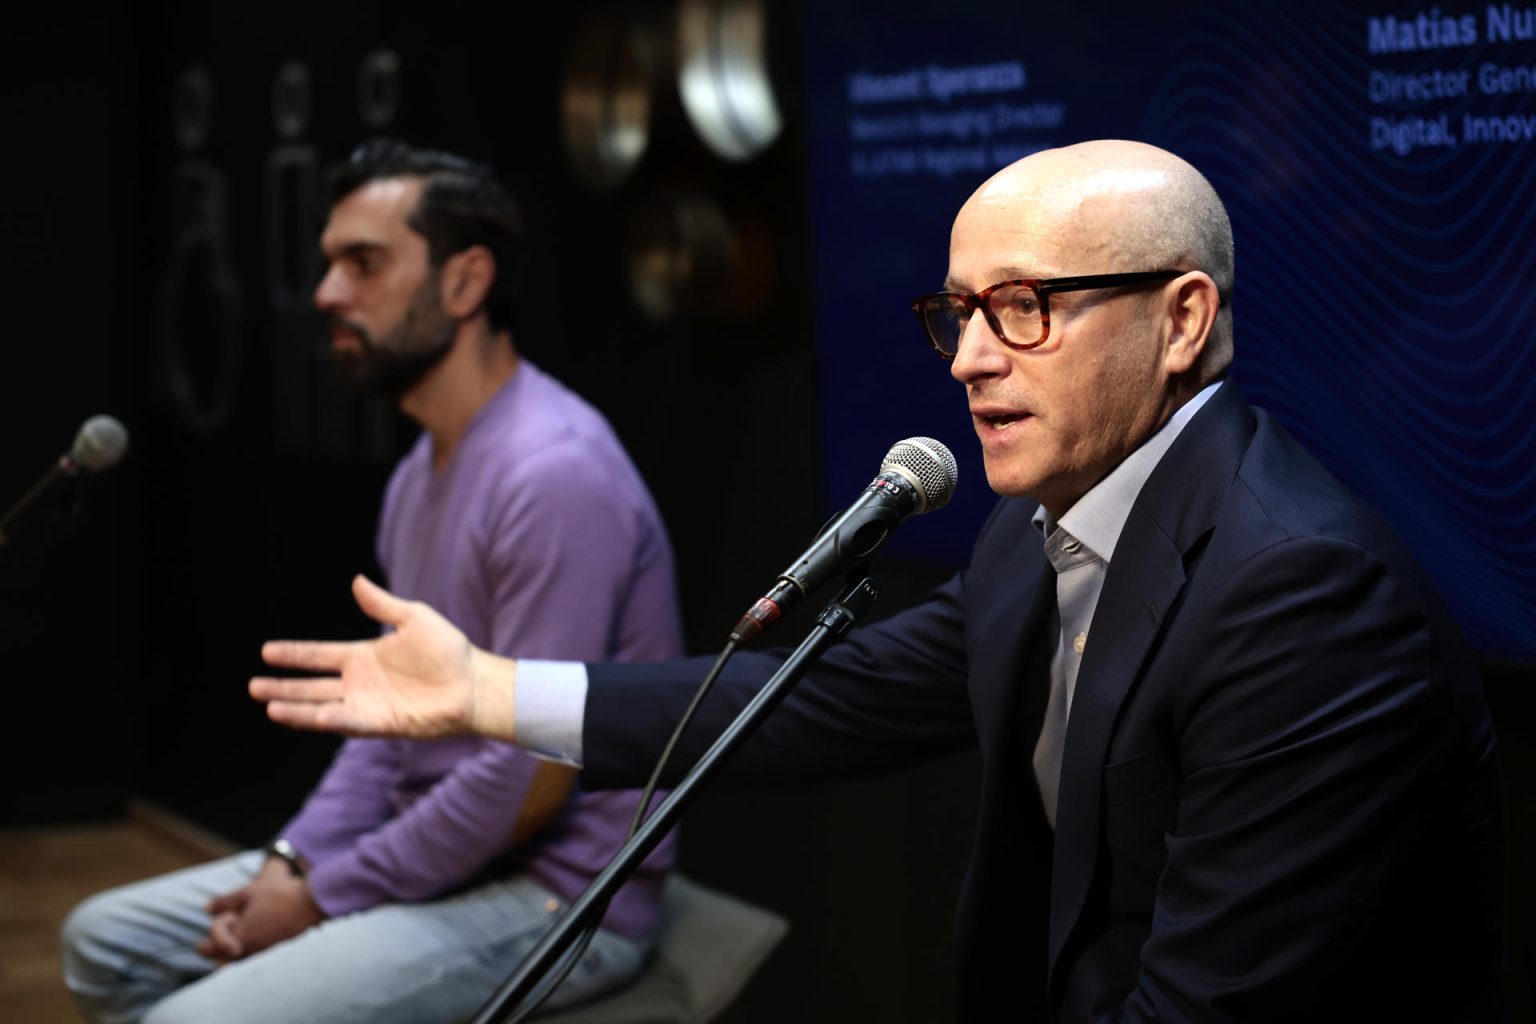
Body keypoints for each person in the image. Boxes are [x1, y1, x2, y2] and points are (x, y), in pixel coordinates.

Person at [250, 140, 1506, 1021]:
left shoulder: (1302, 596)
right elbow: (811, 698)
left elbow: (1215, 998)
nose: (966, 359)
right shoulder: (1037, 523)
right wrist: (488, 690)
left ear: (1180, 320)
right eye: (956, 311)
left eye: (1023, 308)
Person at [63, 140, 683, 1024]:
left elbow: (527, 783)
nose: (326, 295)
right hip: (434, 859)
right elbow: (384, 727)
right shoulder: (416, 475)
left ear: (466, 283)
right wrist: (294, 858)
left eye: (364, 263)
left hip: (553, 892)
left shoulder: (553, 472)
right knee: (100, 938)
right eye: (329, 265)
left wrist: (321, 896)